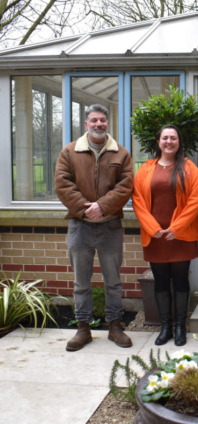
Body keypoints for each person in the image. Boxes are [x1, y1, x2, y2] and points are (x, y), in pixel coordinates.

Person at [54, 104, 134, 352]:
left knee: (113, 281)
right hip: (80, 227)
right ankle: (83, 328)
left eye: (103, 120)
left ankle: (115, 326)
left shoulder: (121, 153)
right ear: (86, 124)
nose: (99, 124)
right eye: (94, 120)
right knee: (81, 282)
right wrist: (85, 208)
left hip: (110, 226)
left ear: (107, 124)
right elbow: (62, 183)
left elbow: (126, 185)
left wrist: (102, 206)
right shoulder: (69, 152)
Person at [132, 125, 198, 347]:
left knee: (181, 280)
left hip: (180, 236)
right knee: (161, 281)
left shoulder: (190, 168)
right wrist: (153, 228)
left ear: (179, 142)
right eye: (165, 138)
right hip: (155, 237)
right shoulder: (145, 168)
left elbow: (196, 200)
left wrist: (176, 228)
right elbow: (138, 200)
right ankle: (166, 327)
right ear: (158, 142)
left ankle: (180, 327)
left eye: (173, 138)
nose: (169, 141)